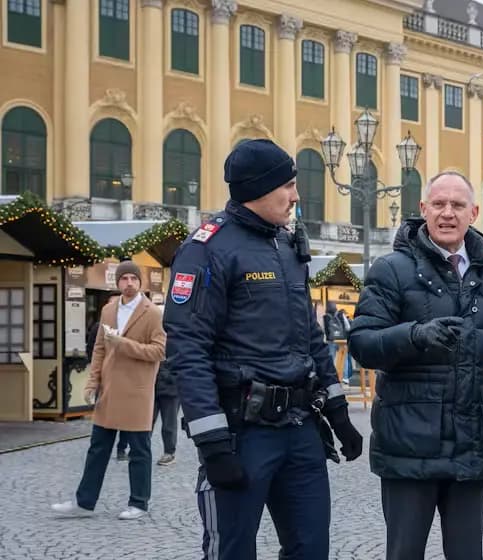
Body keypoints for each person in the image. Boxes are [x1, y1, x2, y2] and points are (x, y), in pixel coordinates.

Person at [163, 139, 363, 559]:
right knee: (232, 552)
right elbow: (188, 349)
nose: (295, 196)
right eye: (288, 186)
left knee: (311, 550)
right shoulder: (206, 249)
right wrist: (213, 442)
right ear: (258, 188)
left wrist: (339, 413)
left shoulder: (288, 247)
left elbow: (310, 337)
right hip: (242, 433)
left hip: (300, 429)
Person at [348, 171, 483, 560]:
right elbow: (363, 343)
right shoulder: (391, 269)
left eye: (457, 205)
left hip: (472, 440)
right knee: (404, 553)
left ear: (473, 212)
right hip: (410, 442)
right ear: (423, 209)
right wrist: (414, 336)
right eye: (438, 204)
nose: (447, 213)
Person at [51, 260, 166, 520]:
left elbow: (160, 351)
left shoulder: (152, 313)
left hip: (137, 391)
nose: (129, 283)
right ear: (118, 283)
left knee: (139, 449)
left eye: (133, 279)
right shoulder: (108, 310)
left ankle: (139, 503)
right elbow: (100, 349)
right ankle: (84, 502)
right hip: (110, 389)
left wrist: (123, 343)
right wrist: (92, 383)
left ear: (140, 283)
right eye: (124, 279)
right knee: (97, 448)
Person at [153, 304, 180, 466]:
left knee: (169, 423)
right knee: (146, 421)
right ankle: (142, 449)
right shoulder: (153, 335)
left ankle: (169, 452)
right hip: (153, 386)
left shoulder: (176, 338)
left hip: (171, 387)